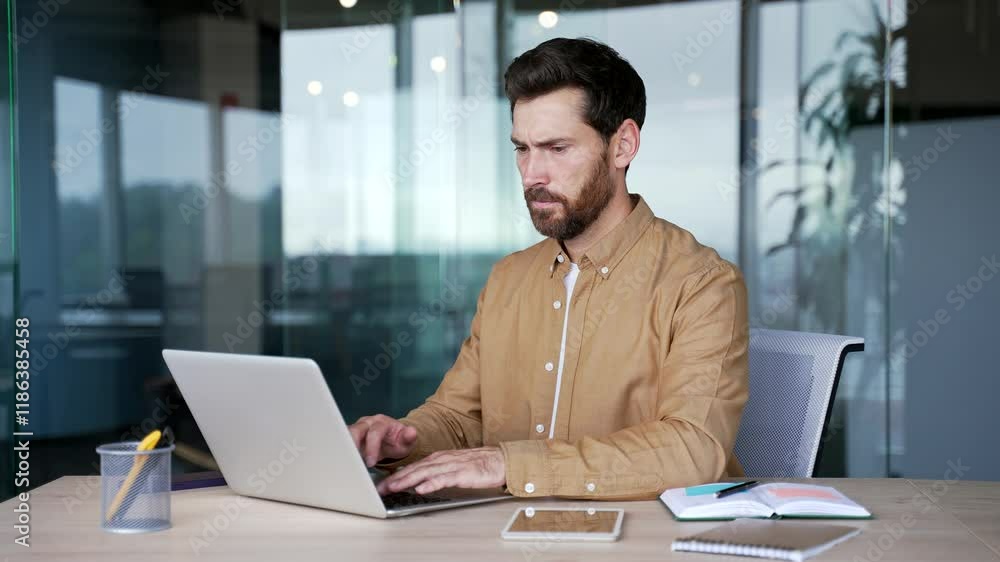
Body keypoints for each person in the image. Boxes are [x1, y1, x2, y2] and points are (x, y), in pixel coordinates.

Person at [348, 37, 749, 500]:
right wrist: (397, 440)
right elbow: (459, 417)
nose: (532, 173)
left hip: (642, 540)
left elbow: (691, 451)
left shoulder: (702, 284)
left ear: (623, 145)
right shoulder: (508, 279)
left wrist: (508, 464)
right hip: (503, 534)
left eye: (557, 149)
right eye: (522, 148)